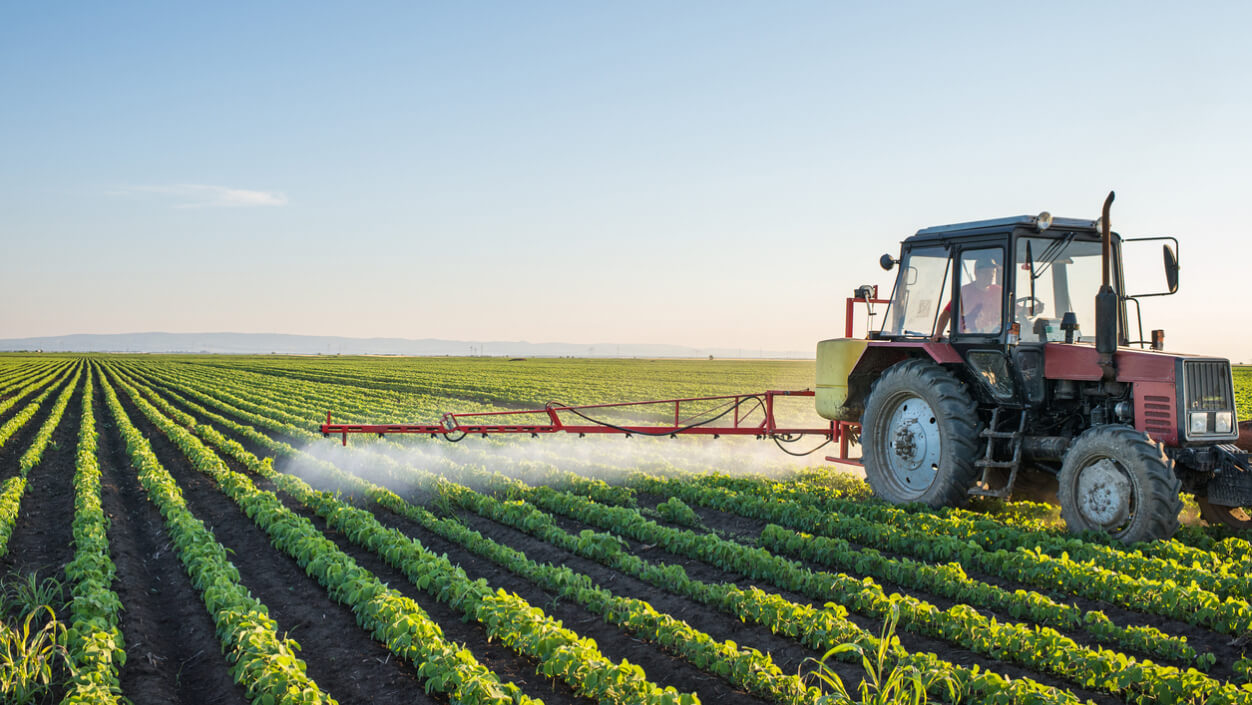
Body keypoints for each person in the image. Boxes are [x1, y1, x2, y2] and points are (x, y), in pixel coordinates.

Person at [933, 253, 1002, 339]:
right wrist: (939, 333)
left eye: (993, 272)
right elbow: (947, 313)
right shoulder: (965, 292)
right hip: (967, 339)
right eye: (986, 272)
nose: (991, 276)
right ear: (976, 273)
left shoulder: (999, 292)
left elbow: (1012, 311)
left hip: (993, 339)